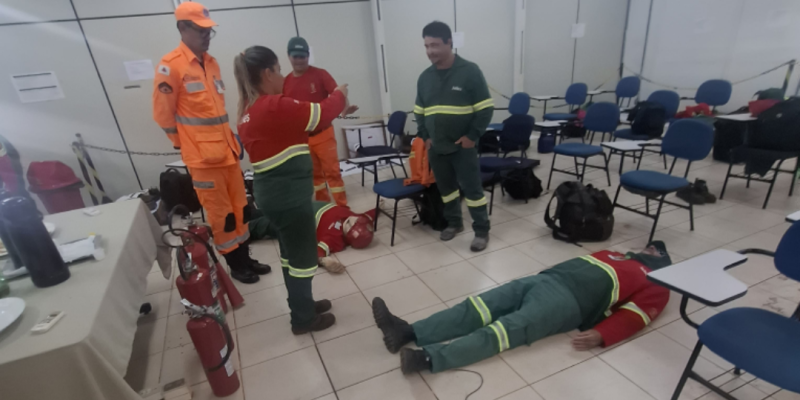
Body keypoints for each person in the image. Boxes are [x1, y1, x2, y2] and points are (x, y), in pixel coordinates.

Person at [372, 241, 673, 374]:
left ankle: (427, 359)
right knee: (478, 306)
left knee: (504, 331)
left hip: (567, 303)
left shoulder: (658, 282)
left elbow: (637, 316)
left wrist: (602, 334)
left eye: (655, 249)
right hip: (544, 280)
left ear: (661, 258)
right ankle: (407, 331)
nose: (648, 248)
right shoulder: (618, 255)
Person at [152, 2, 270, 284]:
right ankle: (237, 265)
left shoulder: (212, 63)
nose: (206, 36)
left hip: (227, 153)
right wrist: (184, 144)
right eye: (201, 30)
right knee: (222, 215)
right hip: (203, 159)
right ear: (182, 27)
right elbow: (162, 114)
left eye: (209, 31)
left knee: (240, 207)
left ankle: (245, 257)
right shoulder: (171, 66)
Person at [234, 45, 348, 334]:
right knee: (302, 258)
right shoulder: (272, 105)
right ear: (267, 72)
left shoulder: (249, 110)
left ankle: (303, 304)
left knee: (289, 254)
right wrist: (340, 95)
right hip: (288, 198)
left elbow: (300, 128)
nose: (283, 75)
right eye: (279, 69)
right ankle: (303, 318)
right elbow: (321, 112)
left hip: (275, 196)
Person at [414, 21, 494, 252]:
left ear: (449, 43)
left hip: (463, 146)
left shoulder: (469, 71)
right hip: (436, 146)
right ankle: (454, 223)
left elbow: (485, 108)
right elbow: (419, 111)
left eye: (435, 45)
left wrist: (473, 136)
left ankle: (481, 230)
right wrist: (424, 136)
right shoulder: (424, 77)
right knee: (446, 189)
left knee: (472, 190)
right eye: (427, 46)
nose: (430, 51)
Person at [283, 37, 358, 207]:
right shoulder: (285, 82)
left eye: (303, 56)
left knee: (333, 173)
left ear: (308, 56)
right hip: (302, 139)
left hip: (324, 134)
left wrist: (345, 109)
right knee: (315, 176)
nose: (300, 60)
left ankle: (342, 208)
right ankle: (323, 208)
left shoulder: (320, 74)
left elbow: (339, 94)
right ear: (289, 56)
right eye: (296, 56)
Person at [248, 201, 377, 274]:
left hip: (296, 221)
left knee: (266, 223)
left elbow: (318, 252)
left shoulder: (333, 237)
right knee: (270, 210)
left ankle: (244, 230)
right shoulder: (357, 217)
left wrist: (326, 262)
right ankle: (248, 213)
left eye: (351, 223)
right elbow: (369, 215)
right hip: (301, 206)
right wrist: (379, 207)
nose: (353, 218)